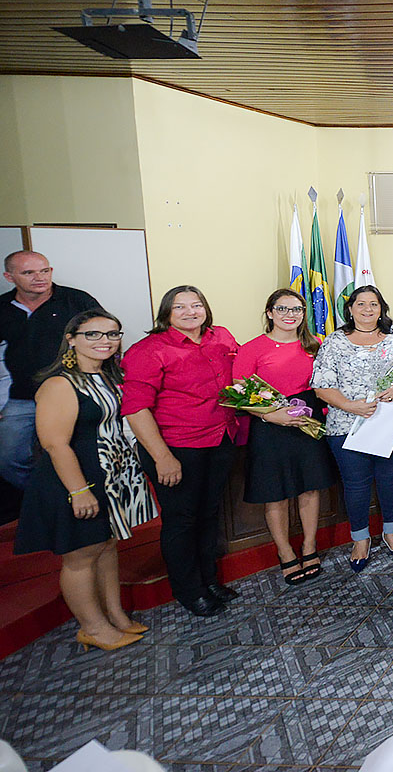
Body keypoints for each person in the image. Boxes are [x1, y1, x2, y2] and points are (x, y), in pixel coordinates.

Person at [15, 309, 155, 650]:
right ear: (72, 339)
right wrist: (79, 491)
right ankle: (92, 627)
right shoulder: (60, 383)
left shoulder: (108, 376)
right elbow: (54, 442)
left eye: (112, 334)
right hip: (76, 477)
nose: (104, 341)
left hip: (110, 475)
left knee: (106, 546)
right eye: (93, 334)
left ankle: (115, 615)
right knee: (80, 556)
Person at [122, 286, 239, 617]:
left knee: (208, 514)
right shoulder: (149, 350)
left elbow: (243, 376)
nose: (191, 312)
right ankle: (189, 590)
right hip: (176, 447)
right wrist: (162, 457)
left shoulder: (222, 338)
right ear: (166, 313)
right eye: (181, 307)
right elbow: (135, 409)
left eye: (197, 305)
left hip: (219, 439)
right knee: (181, 520)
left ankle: (208, 580)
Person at [312, 285, 393, 572]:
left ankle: (391, 530)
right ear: (350, 309)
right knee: (356, 484)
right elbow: (322, 387)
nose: (367, 309)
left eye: (373, 304)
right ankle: (360, 538)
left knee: (389, 477)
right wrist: (353, 406)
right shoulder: (335, 342)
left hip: (392, 422)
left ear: (381, 308)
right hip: (348, 425)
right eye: (361, 304)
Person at [233, 289, 336, 583]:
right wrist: (270, 414)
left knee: (310, 488)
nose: (290, 315)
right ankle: (285, 552)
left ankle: (309, 545)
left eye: (296, 309)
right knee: (275, 494)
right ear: (269, 313)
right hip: (269, 427)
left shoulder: (315, 344)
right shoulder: (252, 348)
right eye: (283, 309)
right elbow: (240, 391)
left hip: (308, 422)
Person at [0, 251, 101, 490]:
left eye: (45, 271)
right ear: (9, 276)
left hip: (72, 394)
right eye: (28, 272)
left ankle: (69, 494)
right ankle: (43, 495)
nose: (40, 277)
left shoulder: (76, 301)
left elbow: (104, 338)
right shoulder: (2, 308)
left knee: (77, 452)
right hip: (20, 397)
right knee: (8, 458)